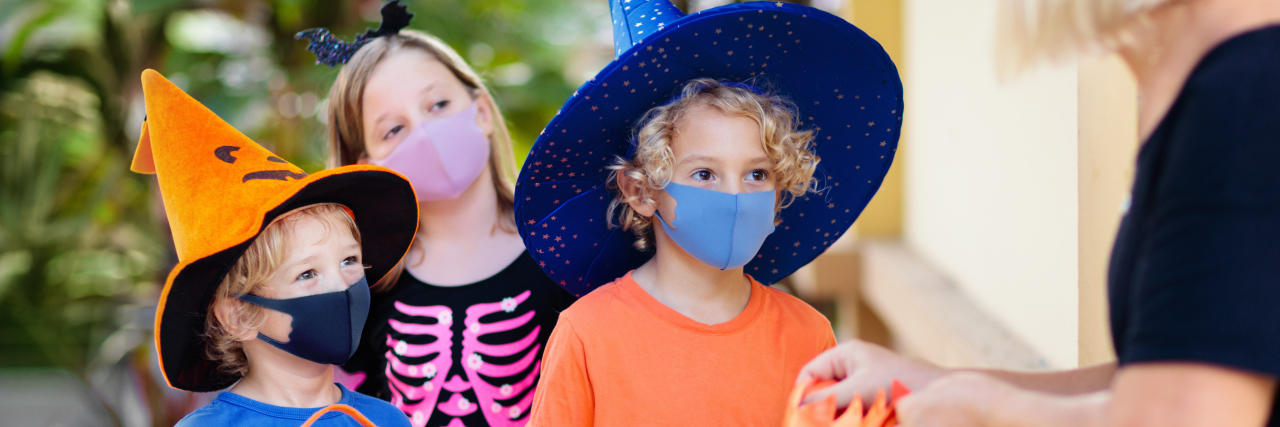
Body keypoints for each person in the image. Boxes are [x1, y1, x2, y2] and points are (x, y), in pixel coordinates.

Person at [796, 0, 1280, 425]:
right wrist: (930, 383)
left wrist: (986, 411)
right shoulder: (1226, 87)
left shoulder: (1242, 101)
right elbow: (1165, 377)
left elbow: (1179, 417)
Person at [516, 0, 903, 424]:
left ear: (780, 195)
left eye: (757, 174)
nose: (735, 196)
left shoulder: (808, 333)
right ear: (642, 191)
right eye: (704, 173)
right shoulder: (587, 333)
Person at [297, 2, 575, 426]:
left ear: (481, 111)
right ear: (368, 164)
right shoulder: (362, 288)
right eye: (394, 129)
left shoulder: (566, 251)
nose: (425, 132)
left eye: (439, 104)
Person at [130, 69, 418, 426]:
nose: (342, 286)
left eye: (349, 261)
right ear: (238, 316)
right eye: (308, 273)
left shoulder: (386, 420)